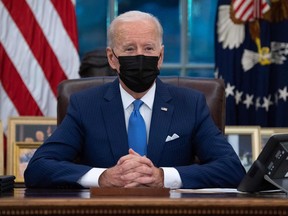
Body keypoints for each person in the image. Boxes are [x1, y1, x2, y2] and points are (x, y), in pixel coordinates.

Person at [24, 10, 246, 189]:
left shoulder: (190, 104)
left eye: (148, 48)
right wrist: (103, 178)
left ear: (160, 57)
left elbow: (232, 169)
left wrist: (162, 177)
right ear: (112, 58)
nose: (140, 56)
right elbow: (38, 168)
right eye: (130, 49)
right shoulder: (85, 105)